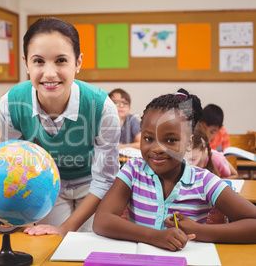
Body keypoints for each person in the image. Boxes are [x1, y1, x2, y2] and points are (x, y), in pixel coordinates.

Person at [0, 17, 120, 237]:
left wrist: (66, 228)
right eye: (38, 61)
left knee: (88, 244)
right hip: (47, 185)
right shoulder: (11, 103)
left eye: (61, 60)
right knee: (49, 245)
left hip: (93, 186)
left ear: (78, 62)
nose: (50, 73)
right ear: (26, 63)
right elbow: (14, 164)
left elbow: (105, 179)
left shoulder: (102, 107)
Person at [93, 89, 256, 251]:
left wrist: (198, 231)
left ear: (190, 142)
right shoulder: (133, 170)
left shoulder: (204, 181)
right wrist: (154, 236)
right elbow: (102, 220)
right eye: (149, 138)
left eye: (171, 140)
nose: (157, 148)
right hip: (141, 260)